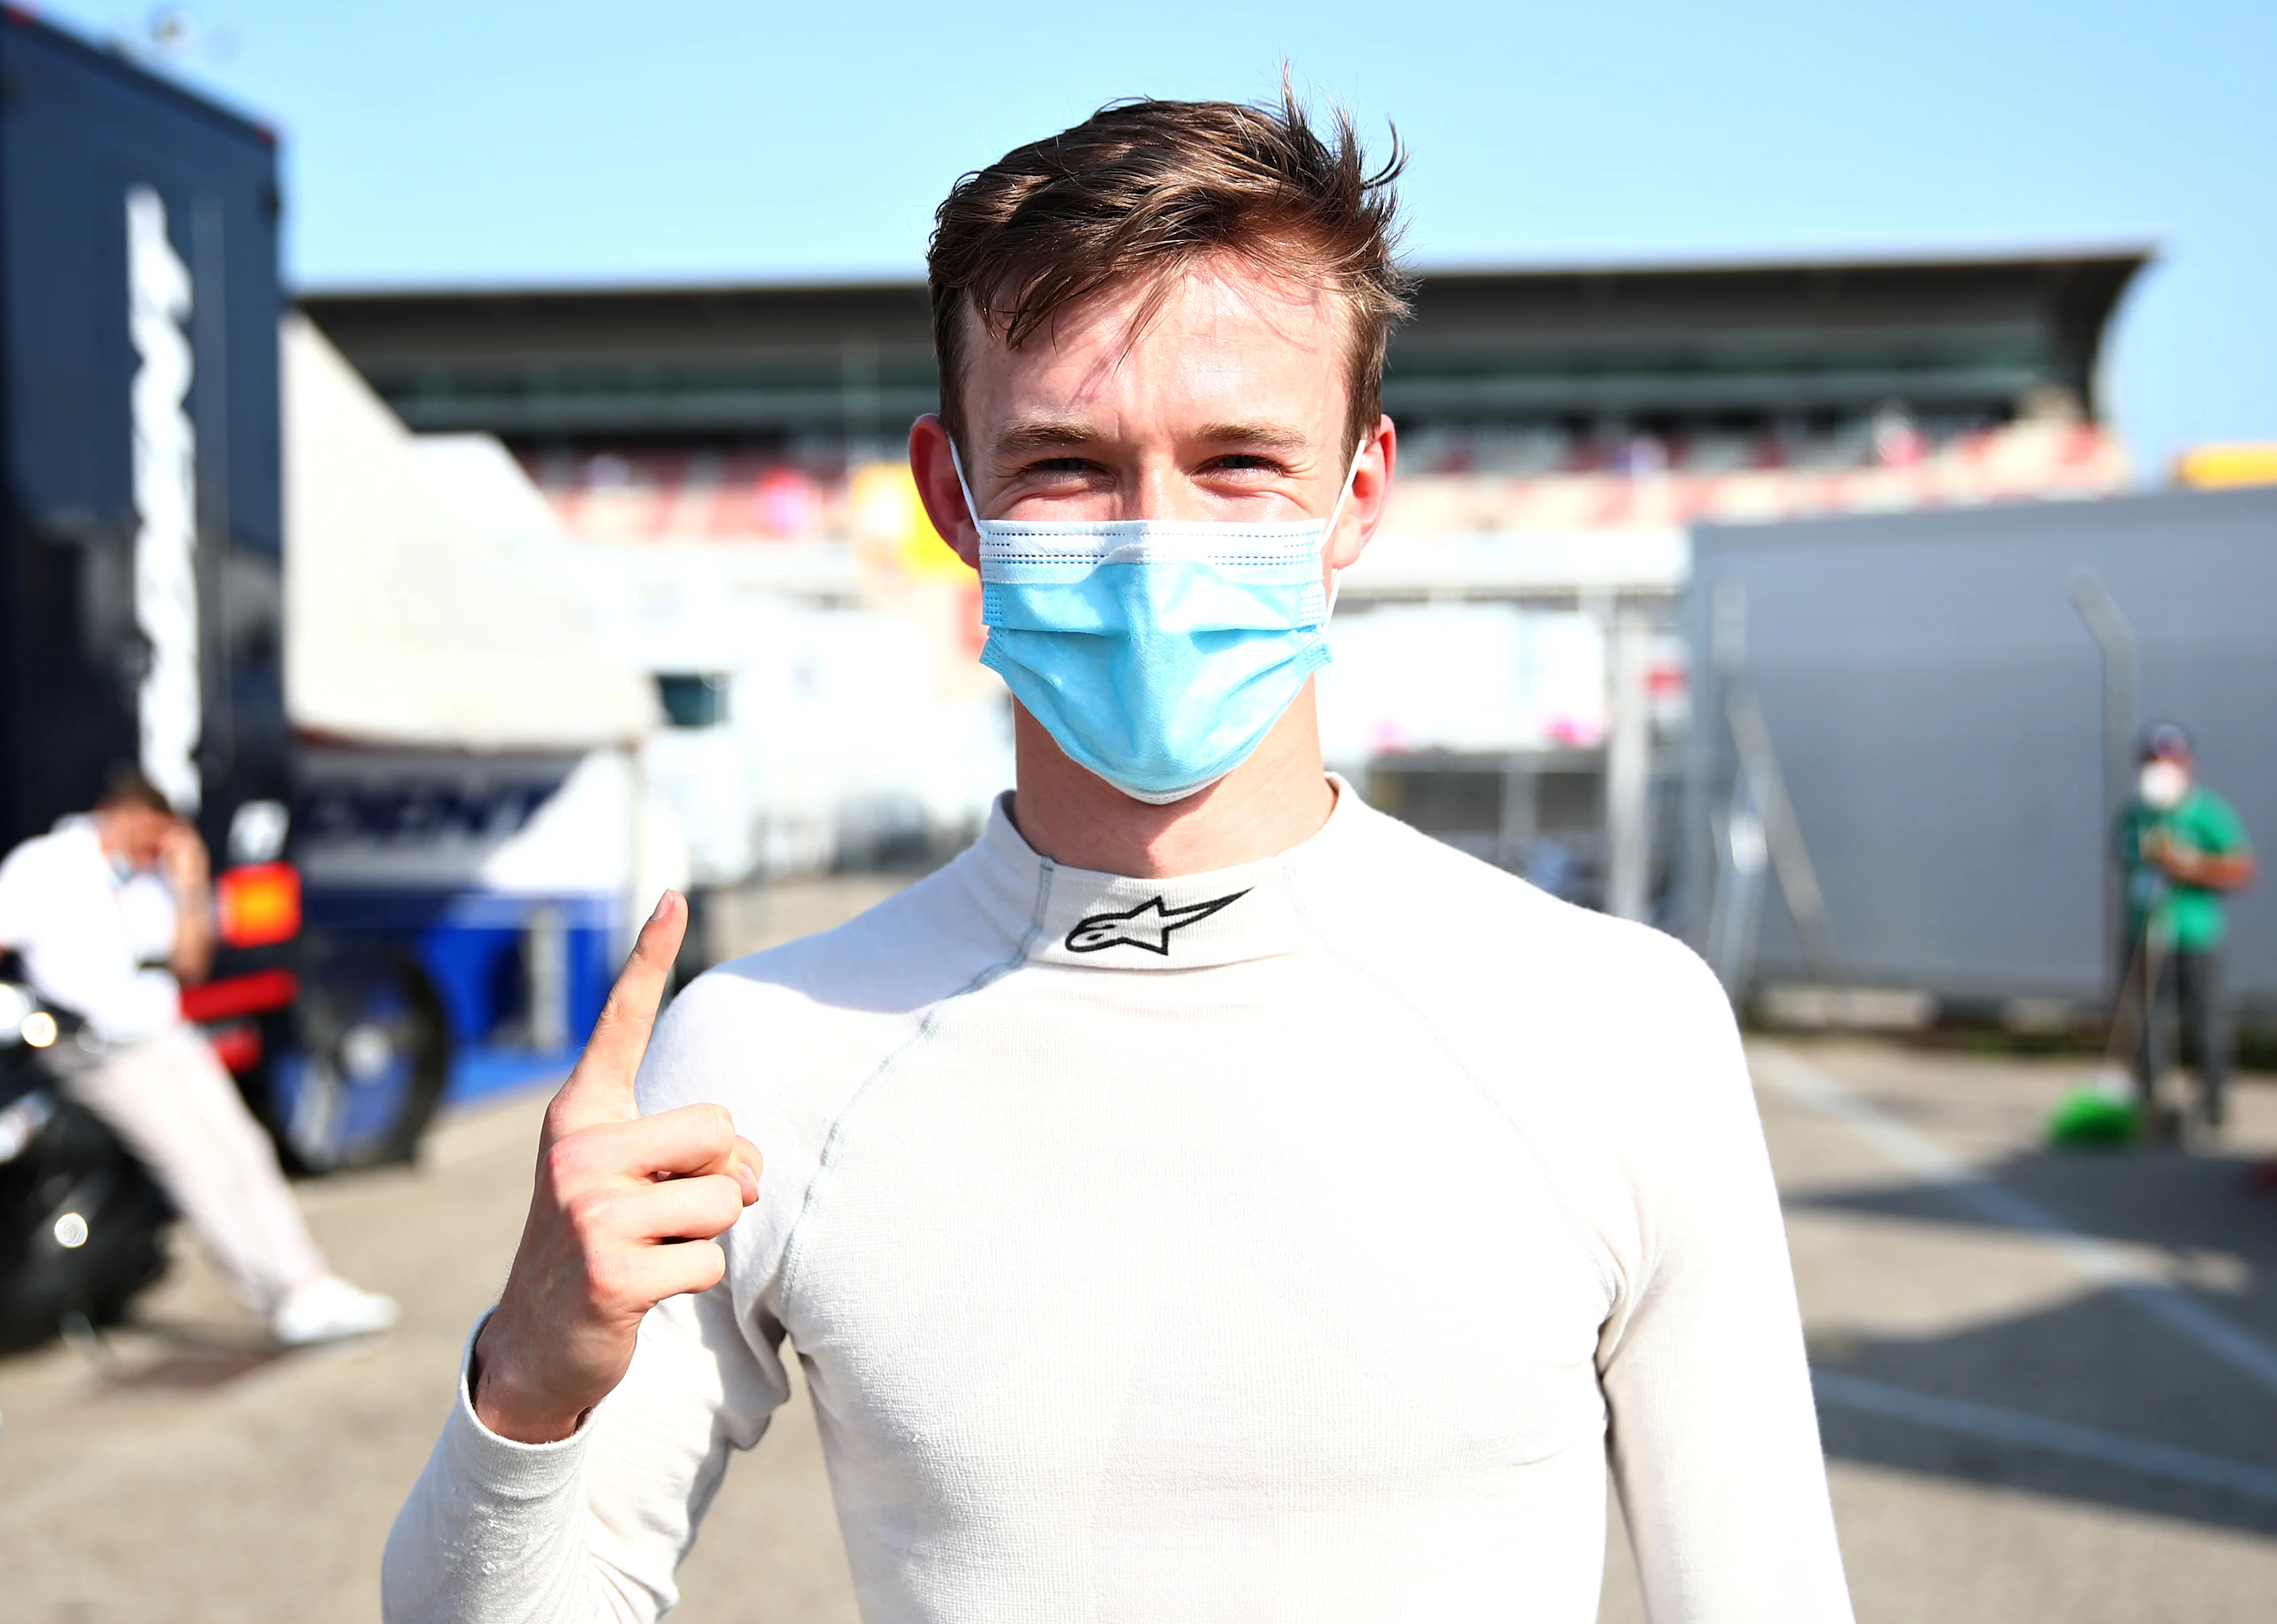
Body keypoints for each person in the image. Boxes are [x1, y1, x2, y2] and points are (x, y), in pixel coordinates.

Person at [386, 94, 1851, 1623]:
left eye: (1235, 461)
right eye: (1069, 465)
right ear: (950, 497)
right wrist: (527, 1383)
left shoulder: (1617, 1025)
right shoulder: (764, 1053)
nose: (1155, 541)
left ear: (1358, 488)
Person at [0, 765, 398, 1346]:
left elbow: (190, 962)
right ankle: (278, 1296)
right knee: (194, 1163)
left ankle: (310, 1281)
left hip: (163, 1033)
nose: (159, 845)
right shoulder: (47, 866)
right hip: (94, 1051)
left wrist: (189, 885)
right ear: (122, 813)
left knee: (243, 1148)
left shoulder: (153, 876)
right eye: (153, 833)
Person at [2117, 722, 2256, 1130]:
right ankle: (2149, 1099)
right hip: (2144, 931)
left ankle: (2212, 1102)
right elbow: (2125, 858)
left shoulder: (2208, 813)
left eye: (2169, 760)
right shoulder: (2134, 815)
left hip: (2195, 935)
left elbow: (2241, 869)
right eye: (2152, 761)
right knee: (2143, 1020)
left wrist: (2192, 866)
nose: (2160, 769)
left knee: (2206, 1020)